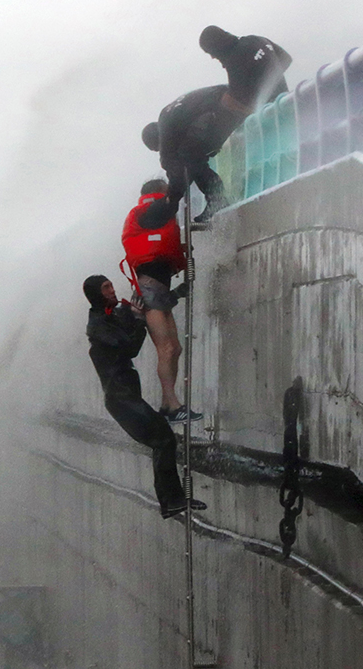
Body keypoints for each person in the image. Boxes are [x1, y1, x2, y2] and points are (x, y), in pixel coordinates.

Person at [82, 274, 206, 519]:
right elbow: (131, 347)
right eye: (106, 287)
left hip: (127, 396)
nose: (112, 289)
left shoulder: (113, 315)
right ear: (97, 294)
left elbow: (148, 306)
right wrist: (138, 320)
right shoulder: (97, 326)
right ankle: (172, 500)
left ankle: (173, 500)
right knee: (162, 439)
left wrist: (176, 294)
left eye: (111, 285)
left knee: (162, 439)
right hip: (120, 399)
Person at [121, 179, 201, 422]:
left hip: (159, 290)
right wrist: (179, 183)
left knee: (174, 348)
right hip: (149, 290)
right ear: (158, 194)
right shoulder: (148, 211)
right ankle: (171, 404)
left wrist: (177, 291)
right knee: (165, 349)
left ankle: (169, 405)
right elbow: (165, 207)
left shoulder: (151, 216)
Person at [141, 86, 240, 221]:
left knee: (191, 158)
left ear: (158, 141)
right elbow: (185, 172)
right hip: (231, 95)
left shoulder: (167, 132)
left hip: (223, 104)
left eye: (157, 149)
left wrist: (171, 201)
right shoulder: (173, 118)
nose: (160, 150)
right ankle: (216, 199)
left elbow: (173, 166)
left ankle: (217, 199)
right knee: (192, 159)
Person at [199, 25, 293, 111]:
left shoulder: (235, 60)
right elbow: (286, 59)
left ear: (216, 47)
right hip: (286, 100)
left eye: (210, 52)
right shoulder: (255, 39)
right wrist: (269, 75)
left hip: (273, 112)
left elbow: (235, 100)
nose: (212, 57)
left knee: (227, 100)